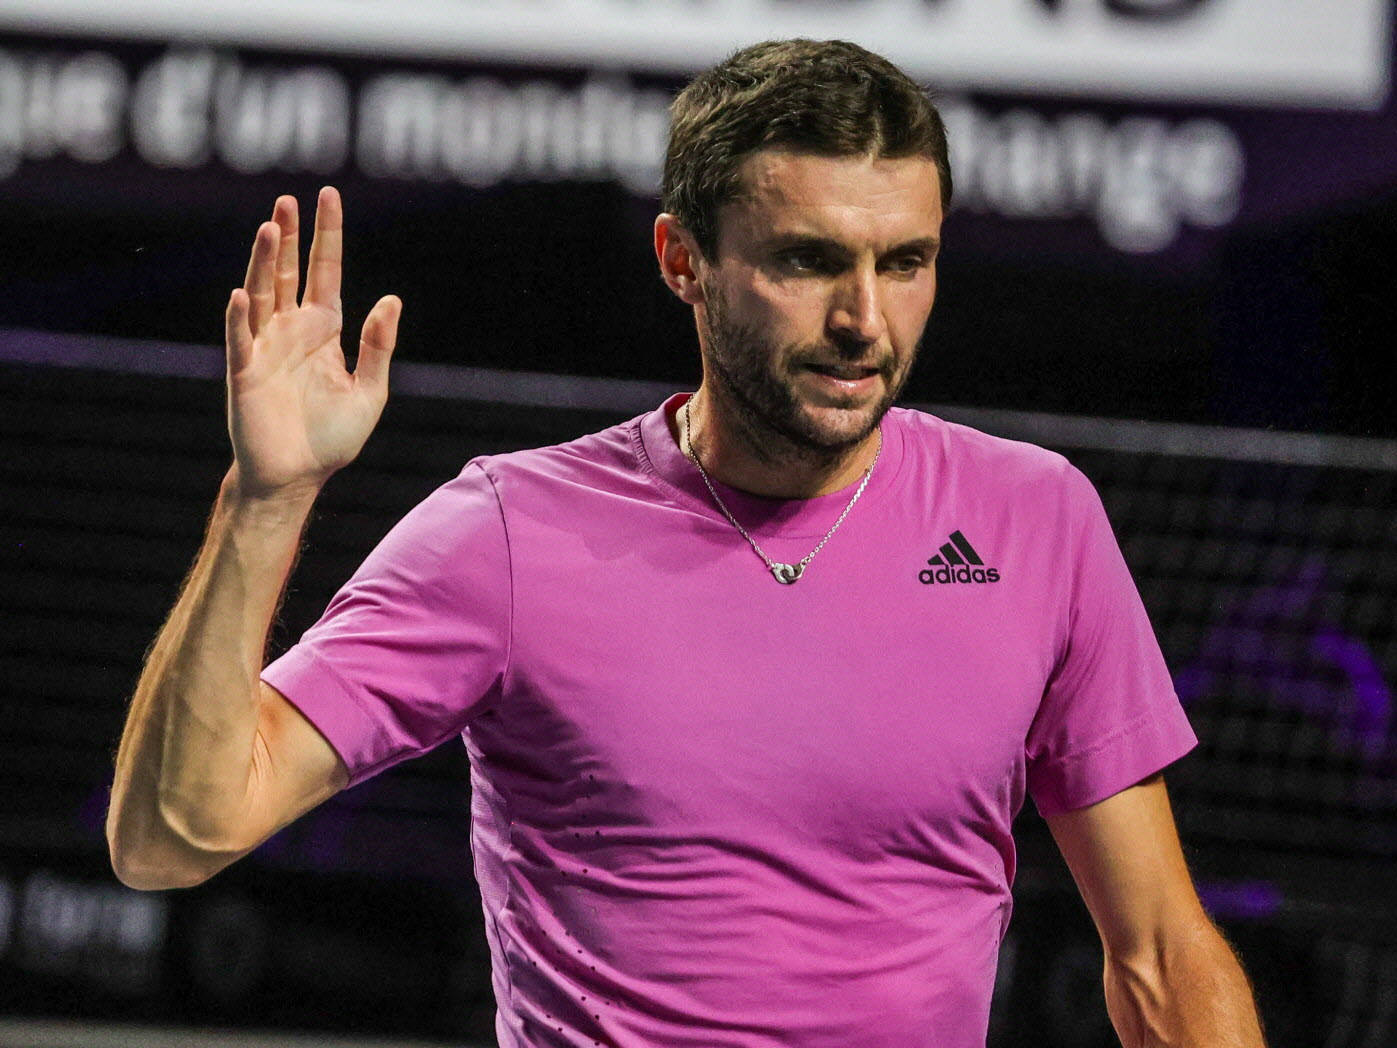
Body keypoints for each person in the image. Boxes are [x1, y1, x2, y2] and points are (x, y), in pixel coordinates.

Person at [107, 39, 1267, 1048]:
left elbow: (1159, 954)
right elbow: (173, 835)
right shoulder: (510, 531)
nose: (864, 318)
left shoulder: (1035, 519)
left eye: (902, 261)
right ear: (683, 262)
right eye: (808, 260)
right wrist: (265, 498)